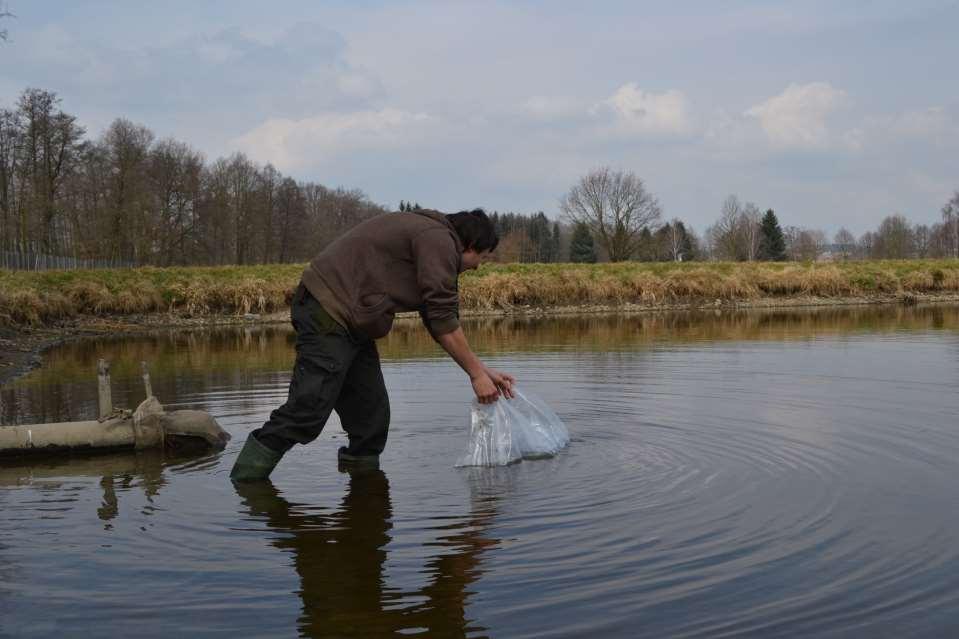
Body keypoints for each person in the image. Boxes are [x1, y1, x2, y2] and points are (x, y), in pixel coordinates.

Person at [230, 208, 515, 481]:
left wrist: (481, 370)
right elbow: (442, 317)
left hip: (353, 322)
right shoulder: (438, 239)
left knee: (371, 418)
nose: (478, 266)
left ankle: (364, 497)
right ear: (470, 244)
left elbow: (438, 316)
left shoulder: (435, 239)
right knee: (308, 409)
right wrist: (476, 374)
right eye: (482, 257)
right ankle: (244, 486)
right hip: (328, 310)